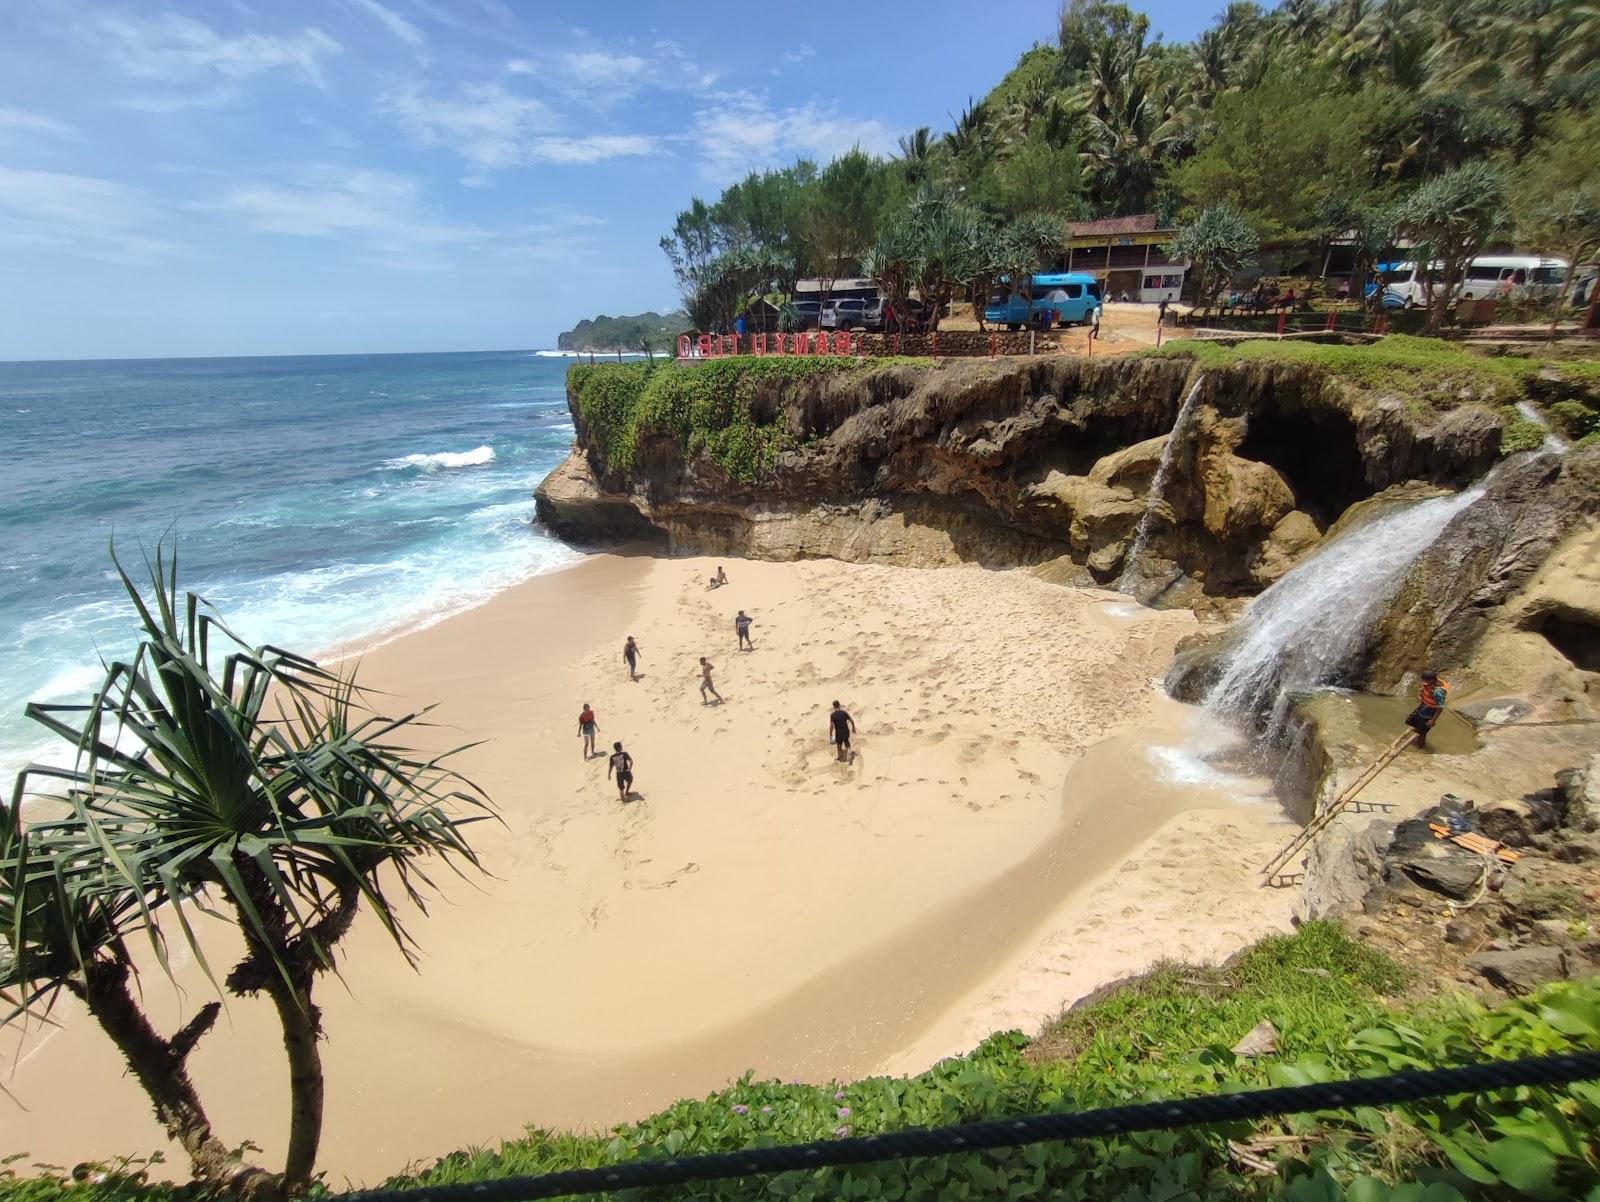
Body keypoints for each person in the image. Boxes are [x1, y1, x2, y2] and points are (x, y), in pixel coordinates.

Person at [1404, 669, 1450, 747]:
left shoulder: (1438, 692)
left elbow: (1440, 707)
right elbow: (1423, 689)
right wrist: (1420, 696)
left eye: (1425, 680)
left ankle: (1420, 745)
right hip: (1423, 707)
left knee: (1422, 732)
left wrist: (1433, 720)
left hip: (1429, 712)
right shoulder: (1432, 683)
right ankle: (1417, 733)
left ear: (1431, 680)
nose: (1424, 682)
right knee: (1410, 721)